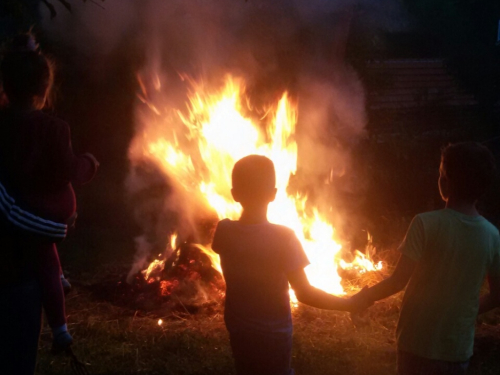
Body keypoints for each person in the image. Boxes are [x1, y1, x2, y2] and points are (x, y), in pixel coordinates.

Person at [212, 155, 368, 375]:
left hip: (240, 331)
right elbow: (304, 293)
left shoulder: (224, 231)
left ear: (234, 194)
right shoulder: (284, 237)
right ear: (274, 194)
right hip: (274, 334)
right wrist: (350, 304)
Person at [352, 142, 500, 375]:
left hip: (416, 344)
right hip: (457, 349)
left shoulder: (425, 224)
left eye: (441, 173)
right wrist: (467, 311)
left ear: (445, 182)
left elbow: (397, 281)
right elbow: (497, 294)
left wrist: (364, 297)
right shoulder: (492, 235)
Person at [0, 34, 98, 374]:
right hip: (28, 237)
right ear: (44, 90)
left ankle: (58, 305)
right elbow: (70, 168)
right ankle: (60, 329)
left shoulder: (4, 125)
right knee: (43, 265)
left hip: (19, 227)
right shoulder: (53, 129)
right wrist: (89, 163)